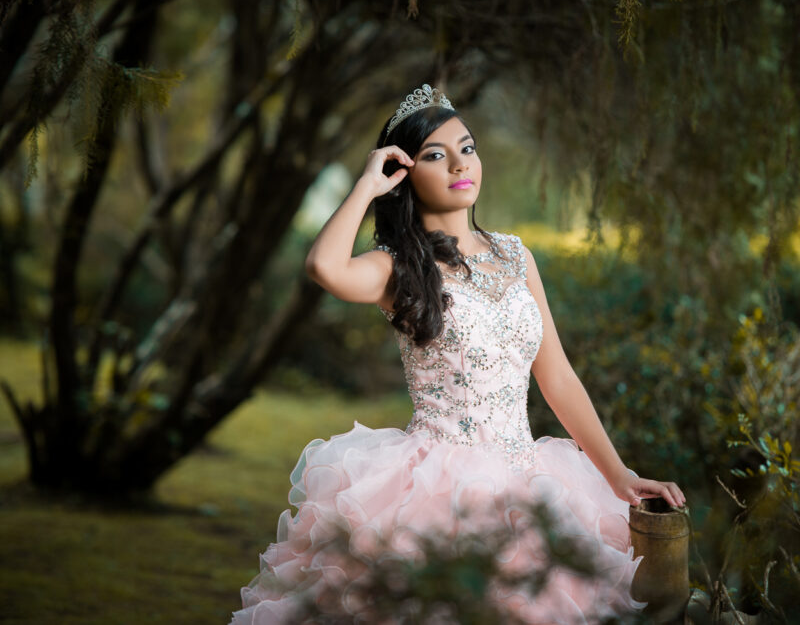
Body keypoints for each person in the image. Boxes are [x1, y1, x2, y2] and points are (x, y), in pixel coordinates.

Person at [230, 84, 685, 624]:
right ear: (405, 175)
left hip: (532, 480)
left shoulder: (516, 256)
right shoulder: (396, 267)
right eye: (434, 156)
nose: (457, 166)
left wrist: (618, 474)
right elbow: (324, 268)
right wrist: (365, 187)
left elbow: (556, 375)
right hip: (437, 489)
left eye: (466, 149)